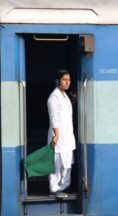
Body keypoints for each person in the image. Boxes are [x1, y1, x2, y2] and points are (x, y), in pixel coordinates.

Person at [47, 70, 76, 198]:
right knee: (56, 163)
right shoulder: (54, 97)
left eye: (69, 80)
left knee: (67, 162)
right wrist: (56, 135)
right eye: (64, 80)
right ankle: (54, 187)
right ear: (58, 81)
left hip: (67, 135)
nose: (67, 82)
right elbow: (53, 118)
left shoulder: (65, 96)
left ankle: (64, 186)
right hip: (58, 135)